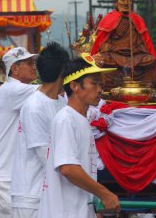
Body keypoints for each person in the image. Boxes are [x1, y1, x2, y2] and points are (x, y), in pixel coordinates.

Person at [38, 54, 120, 218]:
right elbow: (68, 167)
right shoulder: (66, 120)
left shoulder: (81, 120)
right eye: (94, 84)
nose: (99, 90)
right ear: (74, 86)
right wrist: (104, 193)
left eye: (101, 84)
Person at [11, 43, 69, 218]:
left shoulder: (62, 101)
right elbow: (47, 156)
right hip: (31, 196)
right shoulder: (34, 106)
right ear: (63, 72)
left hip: (51, 191)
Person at [0, 47, 39, 217]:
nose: (34, 67)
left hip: (12, 172)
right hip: (2, 174)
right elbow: (51, 91)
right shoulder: (12, 89)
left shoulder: (21, 89)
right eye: (29, 63)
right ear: (15, 68)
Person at [91, 0, 156, 91]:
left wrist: (139, 50)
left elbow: (143, 43)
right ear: (116, 2)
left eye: (128, 0)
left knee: (150, 59)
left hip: (134, 56)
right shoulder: (109, 19)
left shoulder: (137, 20)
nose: (125, 3)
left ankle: (146, 89)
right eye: (123, 0)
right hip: (115, 55)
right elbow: (102, 42)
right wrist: (108, 49)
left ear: (131, 3)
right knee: (104, 60)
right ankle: (108, 89)